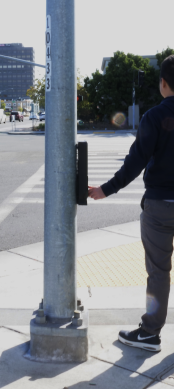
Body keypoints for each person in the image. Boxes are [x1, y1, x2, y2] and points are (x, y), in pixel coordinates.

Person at [89, 55, 174, 353]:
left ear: (163, 83)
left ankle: (150, 334)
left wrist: (105, 190)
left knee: (159, 272)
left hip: (160, 207)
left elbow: (134, 163)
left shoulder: (154, 117)